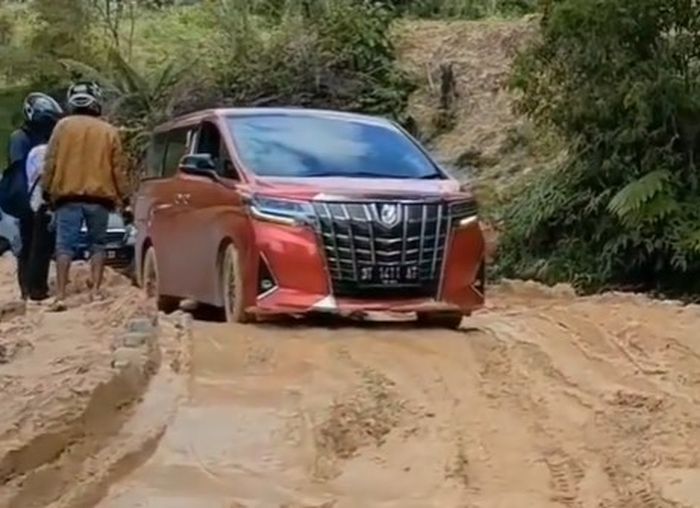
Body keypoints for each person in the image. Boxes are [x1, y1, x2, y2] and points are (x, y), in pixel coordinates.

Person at [42, 81, 129, 311]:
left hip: (67, 198)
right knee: (98, 245)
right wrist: (124, 197)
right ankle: (96, 291)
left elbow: (50, 160)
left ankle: (60, 296)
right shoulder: (108, 131)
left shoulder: (62, 127)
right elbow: (118, 168)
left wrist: (46, 189)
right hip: (99, 199)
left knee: (64, 247)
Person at [3, 93, 63, 299]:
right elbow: (19, 168)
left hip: (41, 196)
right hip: (28, 196)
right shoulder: (20, 137)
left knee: (40, 243)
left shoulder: (40, 137)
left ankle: (35, 287)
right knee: (31, 243)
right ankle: (31, 288)